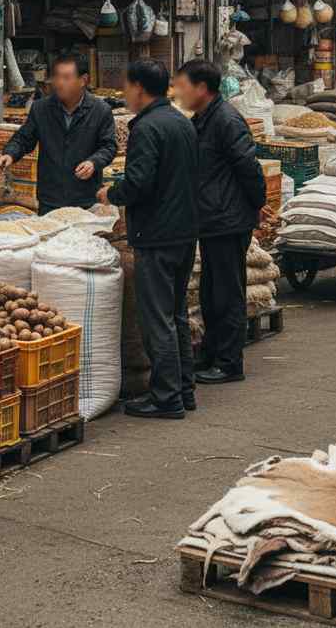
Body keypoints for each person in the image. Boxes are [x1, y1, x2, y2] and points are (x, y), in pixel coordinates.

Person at [96, 58, 198, 419]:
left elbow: (140, 182)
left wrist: (113, 194)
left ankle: (166, 397)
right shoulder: (180, 122)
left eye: (127, 87)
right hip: (184, 231)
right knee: (176, 314)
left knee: (157, 318)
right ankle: (184, 389)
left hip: (158, 234)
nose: (125, 94)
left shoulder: (148, 128)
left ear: (139, 88)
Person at [174, 59, 266, 385]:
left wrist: (257, 205)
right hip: (213, 217)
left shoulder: (226, 120)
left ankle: (230, 363)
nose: (179, 93)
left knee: (227, 293)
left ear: (201, 89)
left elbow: (249, 168)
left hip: (228, 218)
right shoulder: (203, 119)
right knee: (213, 292)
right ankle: (215, 355)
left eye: (183, 86)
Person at [0, 53, 117, 214]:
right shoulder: (41, 108)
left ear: (83, 80)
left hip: (85, 197)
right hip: (50, 197)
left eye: (67, 78)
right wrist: (10, 154)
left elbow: (109, 147)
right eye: (57, 77)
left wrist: (93, 162)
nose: (60, 83)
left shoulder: (100, 110)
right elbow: (24, 138)